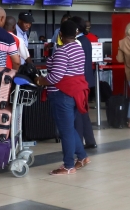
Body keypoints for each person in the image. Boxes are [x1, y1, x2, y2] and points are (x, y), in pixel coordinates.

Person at [37, 19, 89, 175]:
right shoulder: (78, 49)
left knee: (65, 131)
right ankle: (82, 157)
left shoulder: (63, 51)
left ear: (60, 34)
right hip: (75, 93)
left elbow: (55, 77)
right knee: (69, 128)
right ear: (76, 33)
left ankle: (68, 165)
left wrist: (40, 81)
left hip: (62, 95)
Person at [70, 17, 97, 148]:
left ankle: (79, 143)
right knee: (83, 112)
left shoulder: (77, 42)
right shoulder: (85, 40)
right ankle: (90, 140)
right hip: (86, 80)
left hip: (80, 81)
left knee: (78, 114)